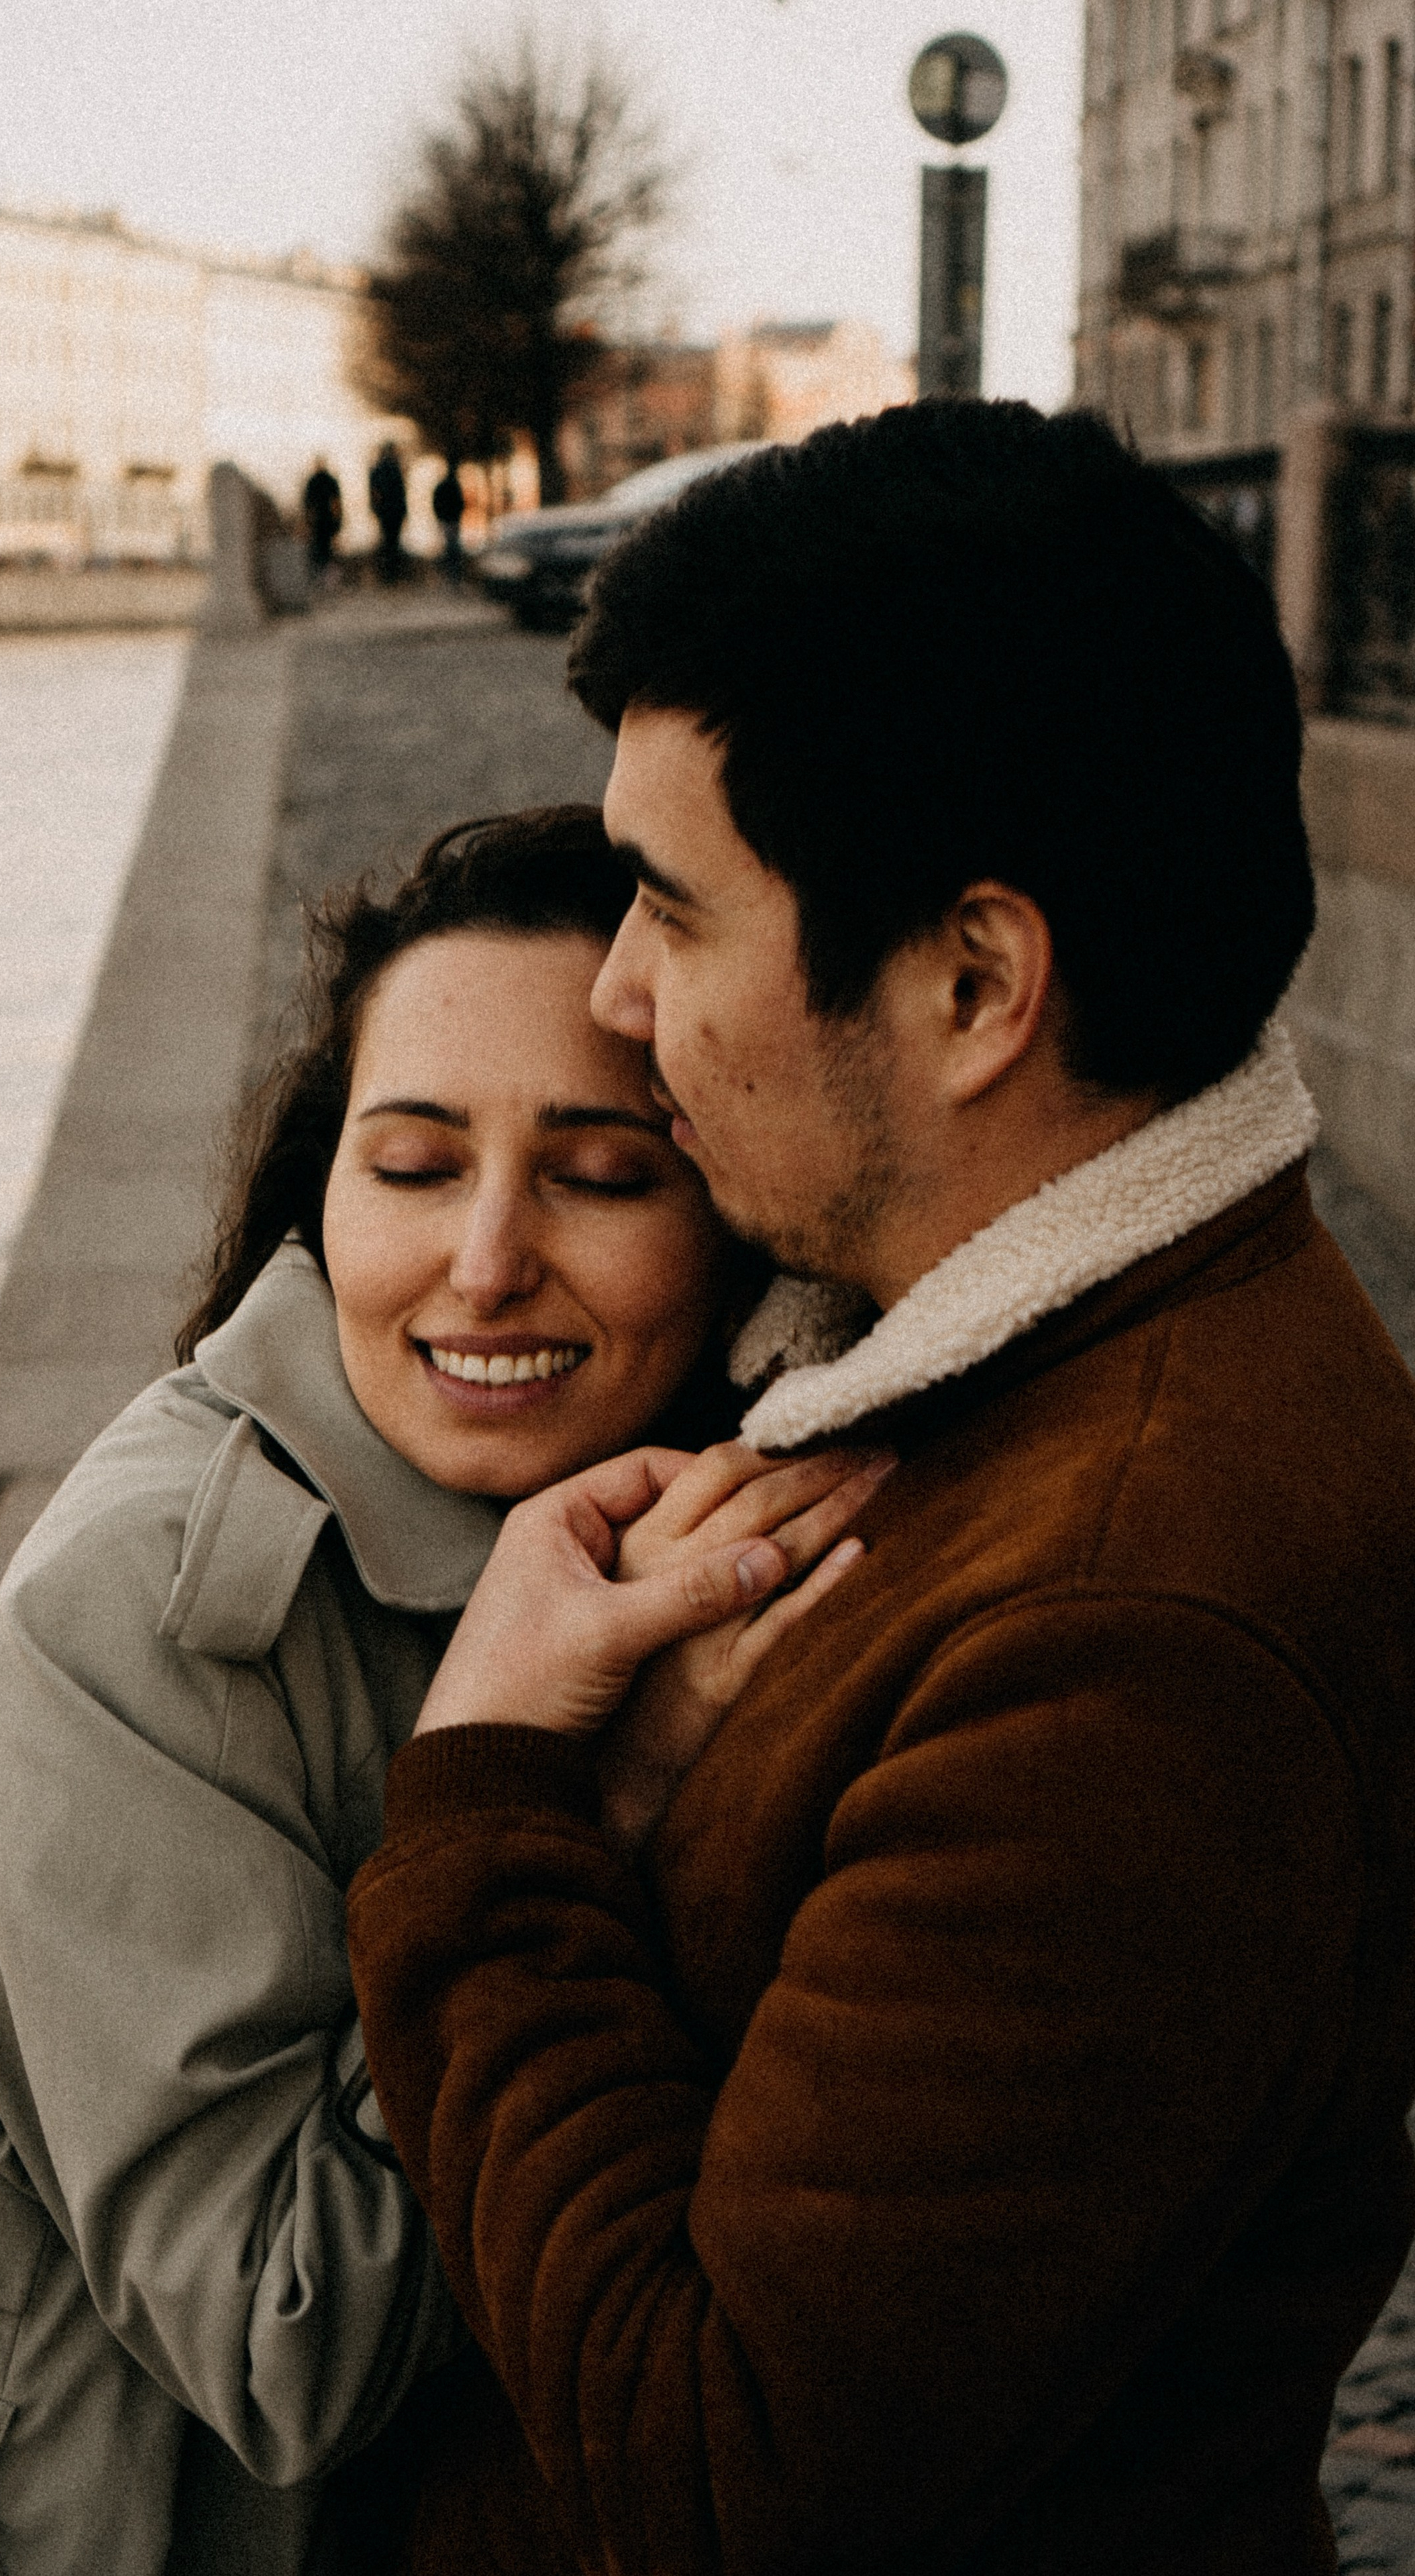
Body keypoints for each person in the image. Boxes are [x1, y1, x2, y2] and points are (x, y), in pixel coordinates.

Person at [346, 402, 1415, 2574]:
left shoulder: (1123, 1640)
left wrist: (487, 1805)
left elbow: (722, 2483)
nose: (622, 1005)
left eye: (672, 907)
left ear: (973, 982)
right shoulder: (1026, 1382)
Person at [0, 807, 880, 2576]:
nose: (486, 1259)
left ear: (739, 1223)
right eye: (414, 1166)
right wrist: (565, 1797)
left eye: (602, 1173)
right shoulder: (157, 1615)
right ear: (323, 1190)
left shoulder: (677, 1506)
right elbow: (286, 2340)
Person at [368, 441, 408, 584]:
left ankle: (386, 575)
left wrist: (376, 510)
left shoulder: (377, 470)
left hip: (385, 512)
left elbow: (374, 494)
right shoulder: (395, 469)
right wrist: (404, 512)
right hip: (395, 512)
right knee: (393, 543)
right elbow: (401, 494)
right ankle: (392, 574)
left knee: (386, 542)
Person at [302, 456, 343, 583]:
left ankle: (324, 576)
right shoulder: (323, 481)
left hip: (323, 521)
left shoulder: (316, 481)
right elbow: (309, 504)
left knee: (323, 548)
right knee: (321, 548)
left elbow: (335, 503)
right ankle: (322, 576)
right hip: (323, 521)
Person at [431, 462, 467, 586]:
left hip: (447, 520)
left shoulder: (442, 486)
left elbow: (436, 502)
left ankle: (449, 572)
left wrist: (440, 517)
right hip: (452, 520)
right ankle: (452, 573)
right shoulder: (455, 486)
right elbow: (461, 503)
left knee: (449, 547)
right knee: (452, 547)